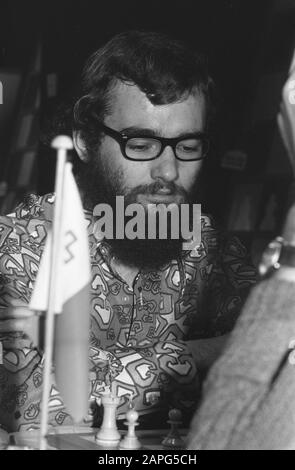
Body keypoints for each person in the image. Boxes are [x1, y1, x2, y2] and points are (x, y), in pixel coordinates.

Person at [0, 30, 256, 433]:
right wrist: (199, 356)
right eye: (141, 144)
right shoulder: (20, 246)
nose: (168, 173)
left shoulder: (213, 248)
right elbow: (26, 400)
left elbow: (269, 362)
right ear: (84, 140)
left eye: (187, 146)